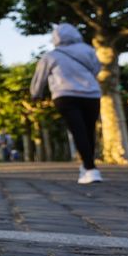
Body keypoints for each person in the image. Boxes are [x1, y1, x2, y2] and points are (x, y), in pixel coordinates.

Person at [30, 23, 103, 184]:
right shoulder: (88, 50)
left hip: (65, 95)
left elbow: (39, 78)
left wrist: (36, 94)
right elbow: (97, 69)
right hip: (91, 94)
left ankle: (90, 169)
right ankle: (88, 166)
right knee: (88, 131)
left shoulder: (51, 56)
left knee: (78, 130)